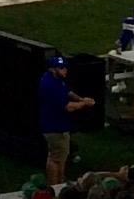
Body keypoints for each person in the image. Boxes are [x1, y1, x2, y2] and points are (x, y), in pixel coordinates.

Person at [33, 50, 92, 181]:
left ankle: (59, 181)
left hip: (56, 124)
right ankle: (56, 185)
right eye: (61, 68)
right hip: (54, 127)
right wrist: (84, 103)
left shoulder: (56, 79)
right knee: (55, 158)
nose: (65, 70)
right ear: (53, 70)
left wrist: (81, 99)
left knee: (60, 157)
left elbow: (68, 92)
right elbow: (68, 107)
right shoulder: (50, 84)